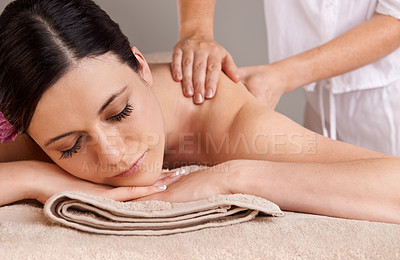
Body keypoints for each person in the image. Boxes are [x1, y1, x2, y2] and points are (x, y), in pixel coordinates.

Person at [0, 0, 399, 225]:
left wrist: (234, 176)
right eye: (71, 147)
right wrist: (34, 176)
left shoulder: (227, 122)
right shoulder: (40, 118)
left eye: (120, 113)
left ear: (140, 64)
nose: (112, 155)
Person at [173, 0, 400, 155]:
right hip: (318, 103)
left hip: (389, 102)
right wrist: (196, 30)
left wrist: (282, 76)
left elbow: (395, 18)